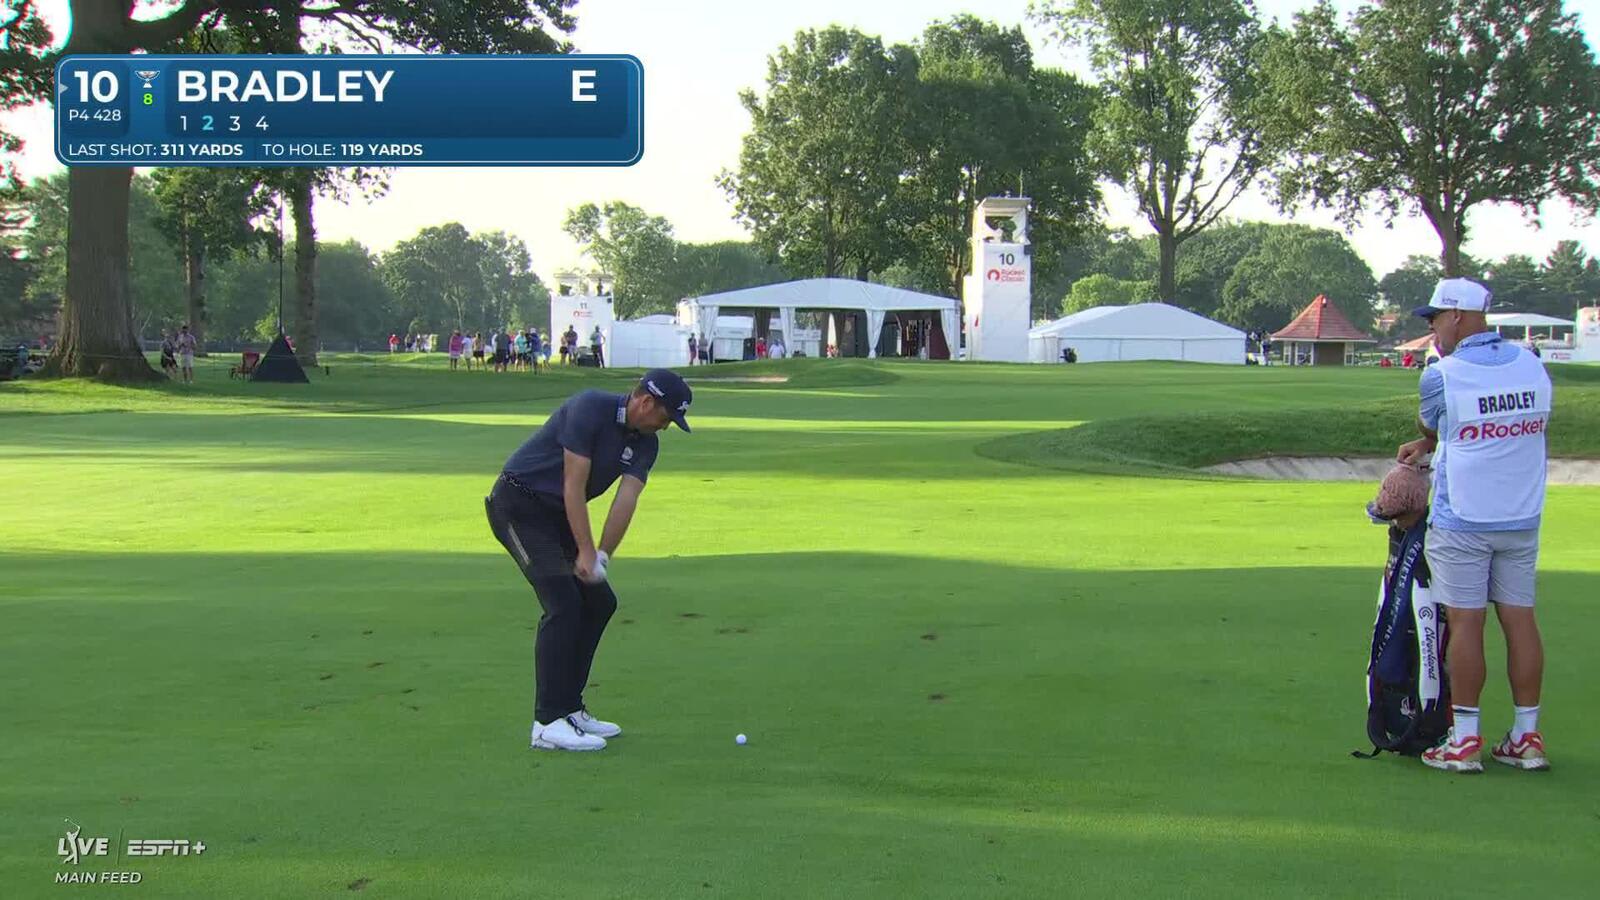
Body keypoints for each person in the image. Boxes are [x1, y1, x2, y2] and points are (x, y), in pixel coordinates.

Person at [485, 369, 694, 752]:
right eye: (665, 418)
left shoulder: (646, 444)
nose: (665, 427)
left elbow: (625, 500)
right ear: (646, 402)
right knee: (563, 604)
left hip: (556, 518)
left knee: (600, 601)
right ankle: (546, 722)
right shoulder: (588, 408)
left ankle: (569, 708)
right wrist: (582, 549)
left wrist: (601, 556)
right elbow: (573, 486)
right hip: (516, 506)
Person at [1398, 278, 1553, 774]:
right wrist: (1434, 444)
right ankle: (1526, 737)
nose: (1433, 328)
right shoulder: (1532, 363)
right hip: (1521, 513)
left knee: (1466, 623)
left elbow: (1434, 424)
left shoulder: (1444, 374)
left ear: (1460, 316)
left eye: (1436, 318)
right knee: (1520, 618)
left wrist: (1426, 442)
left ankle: (1464, 740)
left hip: (1463, 515)